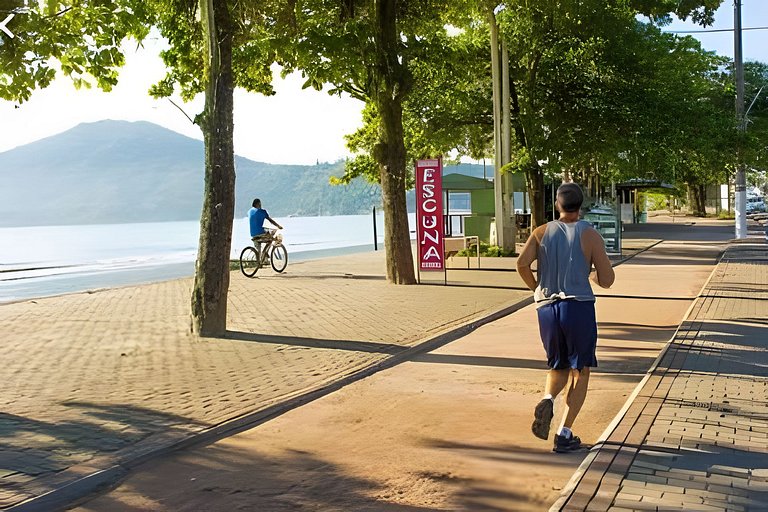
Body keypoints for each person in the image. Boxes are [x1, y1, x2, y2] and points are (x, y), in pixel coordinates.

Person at [516, 183, 615, 453]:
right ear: (581, 205)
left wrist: (537, 287)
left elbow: (521, 264)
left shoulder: (540, 232)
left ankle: (548, 398)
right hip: (578, 307)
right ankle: (564, 432)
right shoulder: (590, 235)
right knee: (580, 371)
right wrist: (591, 274)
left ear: (557, 205)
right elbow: (607, 280)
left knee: (557, 366)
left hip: (547, 309)